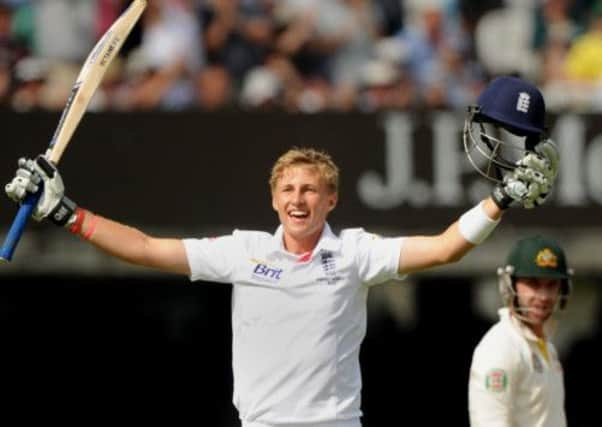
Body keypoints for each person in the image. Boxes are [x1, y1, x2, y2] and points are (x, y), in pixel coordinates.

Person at [4, 76, 558, 427]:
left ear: (331, 199)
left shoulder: (355, 254)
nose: (299, 199)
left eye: (310, 190)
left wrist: (499, 201)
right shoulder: (242, 252)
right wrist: (66, 214)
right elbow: (147, 248)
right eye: (289, 190)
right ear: (273, 199)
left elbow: (442, 250)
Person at [468, 235, 573, 427]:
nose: (543, 296)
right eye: (533, 284)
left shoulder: (546, 346)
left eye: (551, 285)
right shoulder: (500, 346)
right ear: (510, 285)